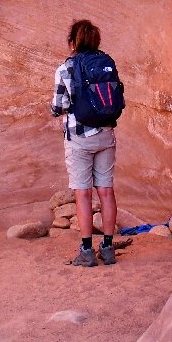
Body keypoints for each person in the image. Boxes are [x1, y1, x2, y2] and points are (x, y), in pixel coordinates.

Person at [51, 20, 121, 267]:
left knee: (83, 193)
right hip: (106, 134)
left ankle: (87, 250)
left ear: (73, 43)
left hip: (79, 138)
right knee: (106, 191)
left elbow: (58, 106)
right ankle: (108, 248)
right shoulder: (106, 63)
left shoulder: (65, 68)